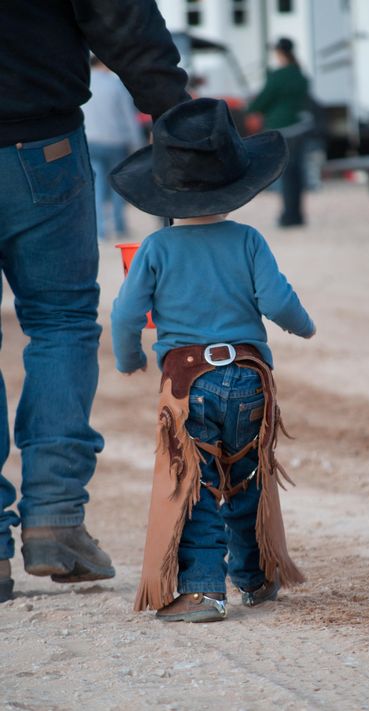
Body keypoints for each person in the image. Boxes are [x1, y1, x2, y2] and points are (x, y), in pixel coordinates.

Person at [0, 0, 190, 603]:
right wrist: (173, 107)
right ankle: (56, 518)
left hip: (40, 130)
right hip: (39, 141)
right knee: (61, 323)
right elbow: (118, 12)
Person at [110, 98, 316, 622]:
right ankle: (256, 574)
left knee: (195, 481)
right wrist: (304, 326)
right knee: (245, 475)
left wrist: (129, 358)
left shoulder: (156, 249)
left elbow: (126, 315)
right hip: (249, 378)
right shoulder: (248, 240)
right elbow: (277, 301)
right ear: (236, 185)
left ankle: (203, 591)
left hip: (188, 383)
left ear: (165, 191)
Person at [247, 37, 310, 228]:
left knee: (286, 174)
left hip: (282, 129)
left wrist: (251, 109)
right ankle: (298, 215)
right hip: (300, 127)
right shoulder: (301, 75)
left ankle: (288, 216)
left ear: (280, 53)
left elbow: (262, 101)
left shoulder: (277, 76)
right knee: (298, 173)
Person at [83, 57, 144, 241]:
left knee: (97, 185)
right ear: (104, 64)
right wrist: (137, 145)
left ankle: (100, 230)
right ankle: (119, 226)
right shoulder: (116, 85)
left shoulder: (83, 83)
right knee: (117, 185)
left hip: (90, 141)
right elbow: (128, 116)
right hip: (115, 141)